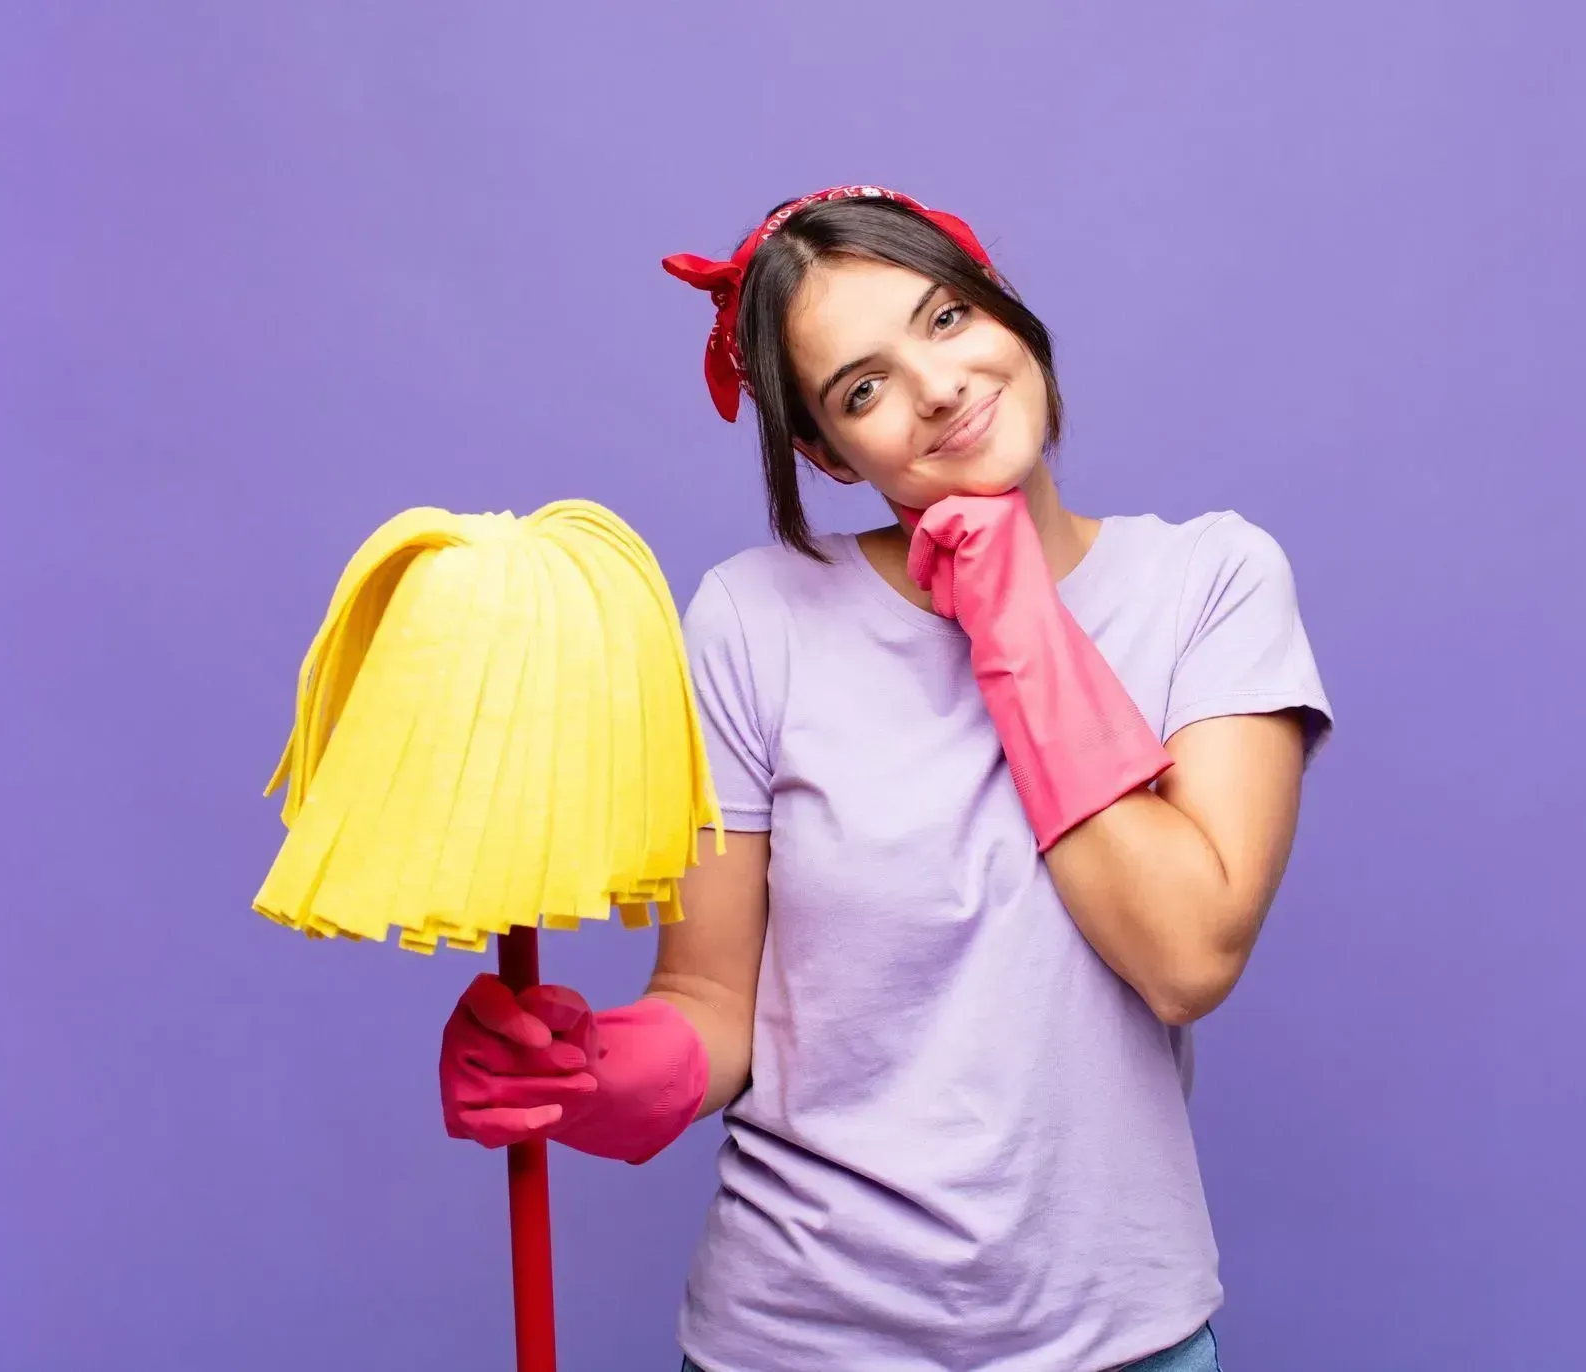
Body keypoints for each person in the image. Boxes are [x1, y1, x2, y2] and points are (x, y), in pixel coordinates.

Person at [438, 185, 1333, 1372]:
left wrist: (1015, 615)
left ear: (1008, 314)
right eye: (863, 387)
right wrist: (586, 1074)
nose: (939, 386)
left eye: (949, 318)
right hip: (795, 1342)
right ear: (826, 450)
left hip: (1116, 1344)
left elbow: (1186, 952)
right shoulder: (755, 620)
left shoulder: (1210, 582)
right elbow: (712, 1004)